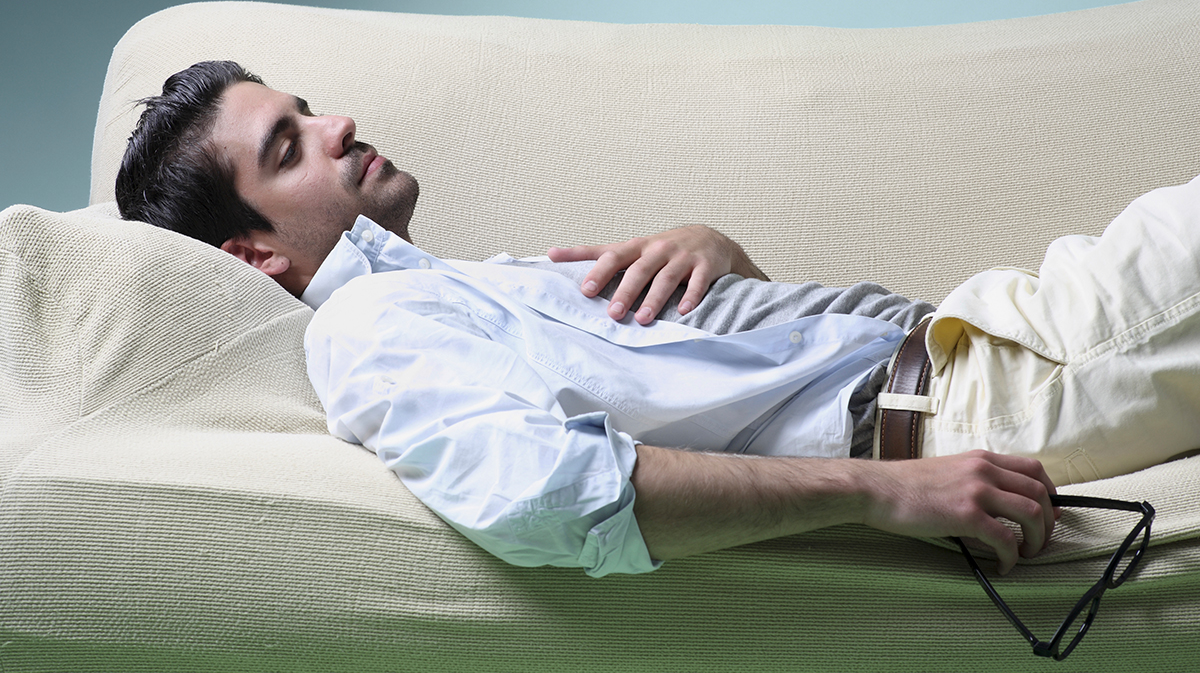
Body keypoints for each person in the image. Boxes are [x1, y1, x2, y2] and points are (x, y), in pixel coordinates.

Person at [116, 61, 1200, 578]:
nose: (337, 120)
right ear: (255, 254)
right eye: (288, 145)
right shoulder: (365, 331)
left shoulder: (460, 283)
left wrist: (728, 267)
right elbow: (549, 491)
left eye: (304, 108)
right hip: (991, 384)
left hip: (979, 346)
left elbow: (745, 399)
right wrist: (889, 487)